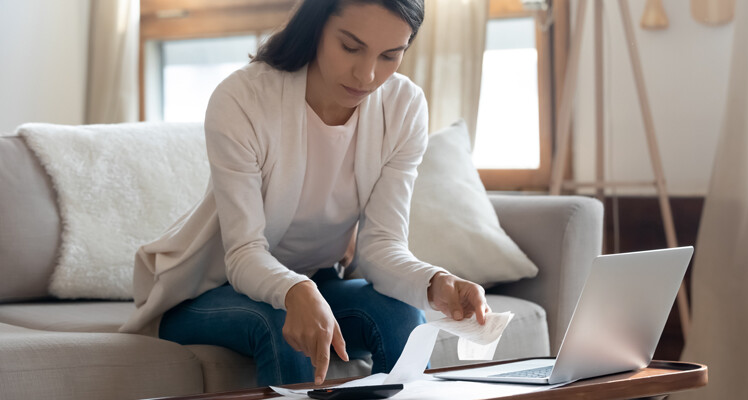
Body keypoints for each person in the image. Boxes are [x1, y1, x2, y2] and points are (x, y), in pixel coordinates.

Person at [120, 0, 492, 387]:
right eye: (350, 47)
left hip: (316, 280)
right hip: (209, 291)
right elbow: (244, 252)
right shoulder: (242, 98)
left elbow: (381, 245)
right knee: (280, 320)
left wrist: (435, 282)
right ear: (316, 26)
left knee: (402, 315)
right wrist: (294, 290)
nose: (367, 75)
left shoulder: (403, 107)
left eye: (389, 56)